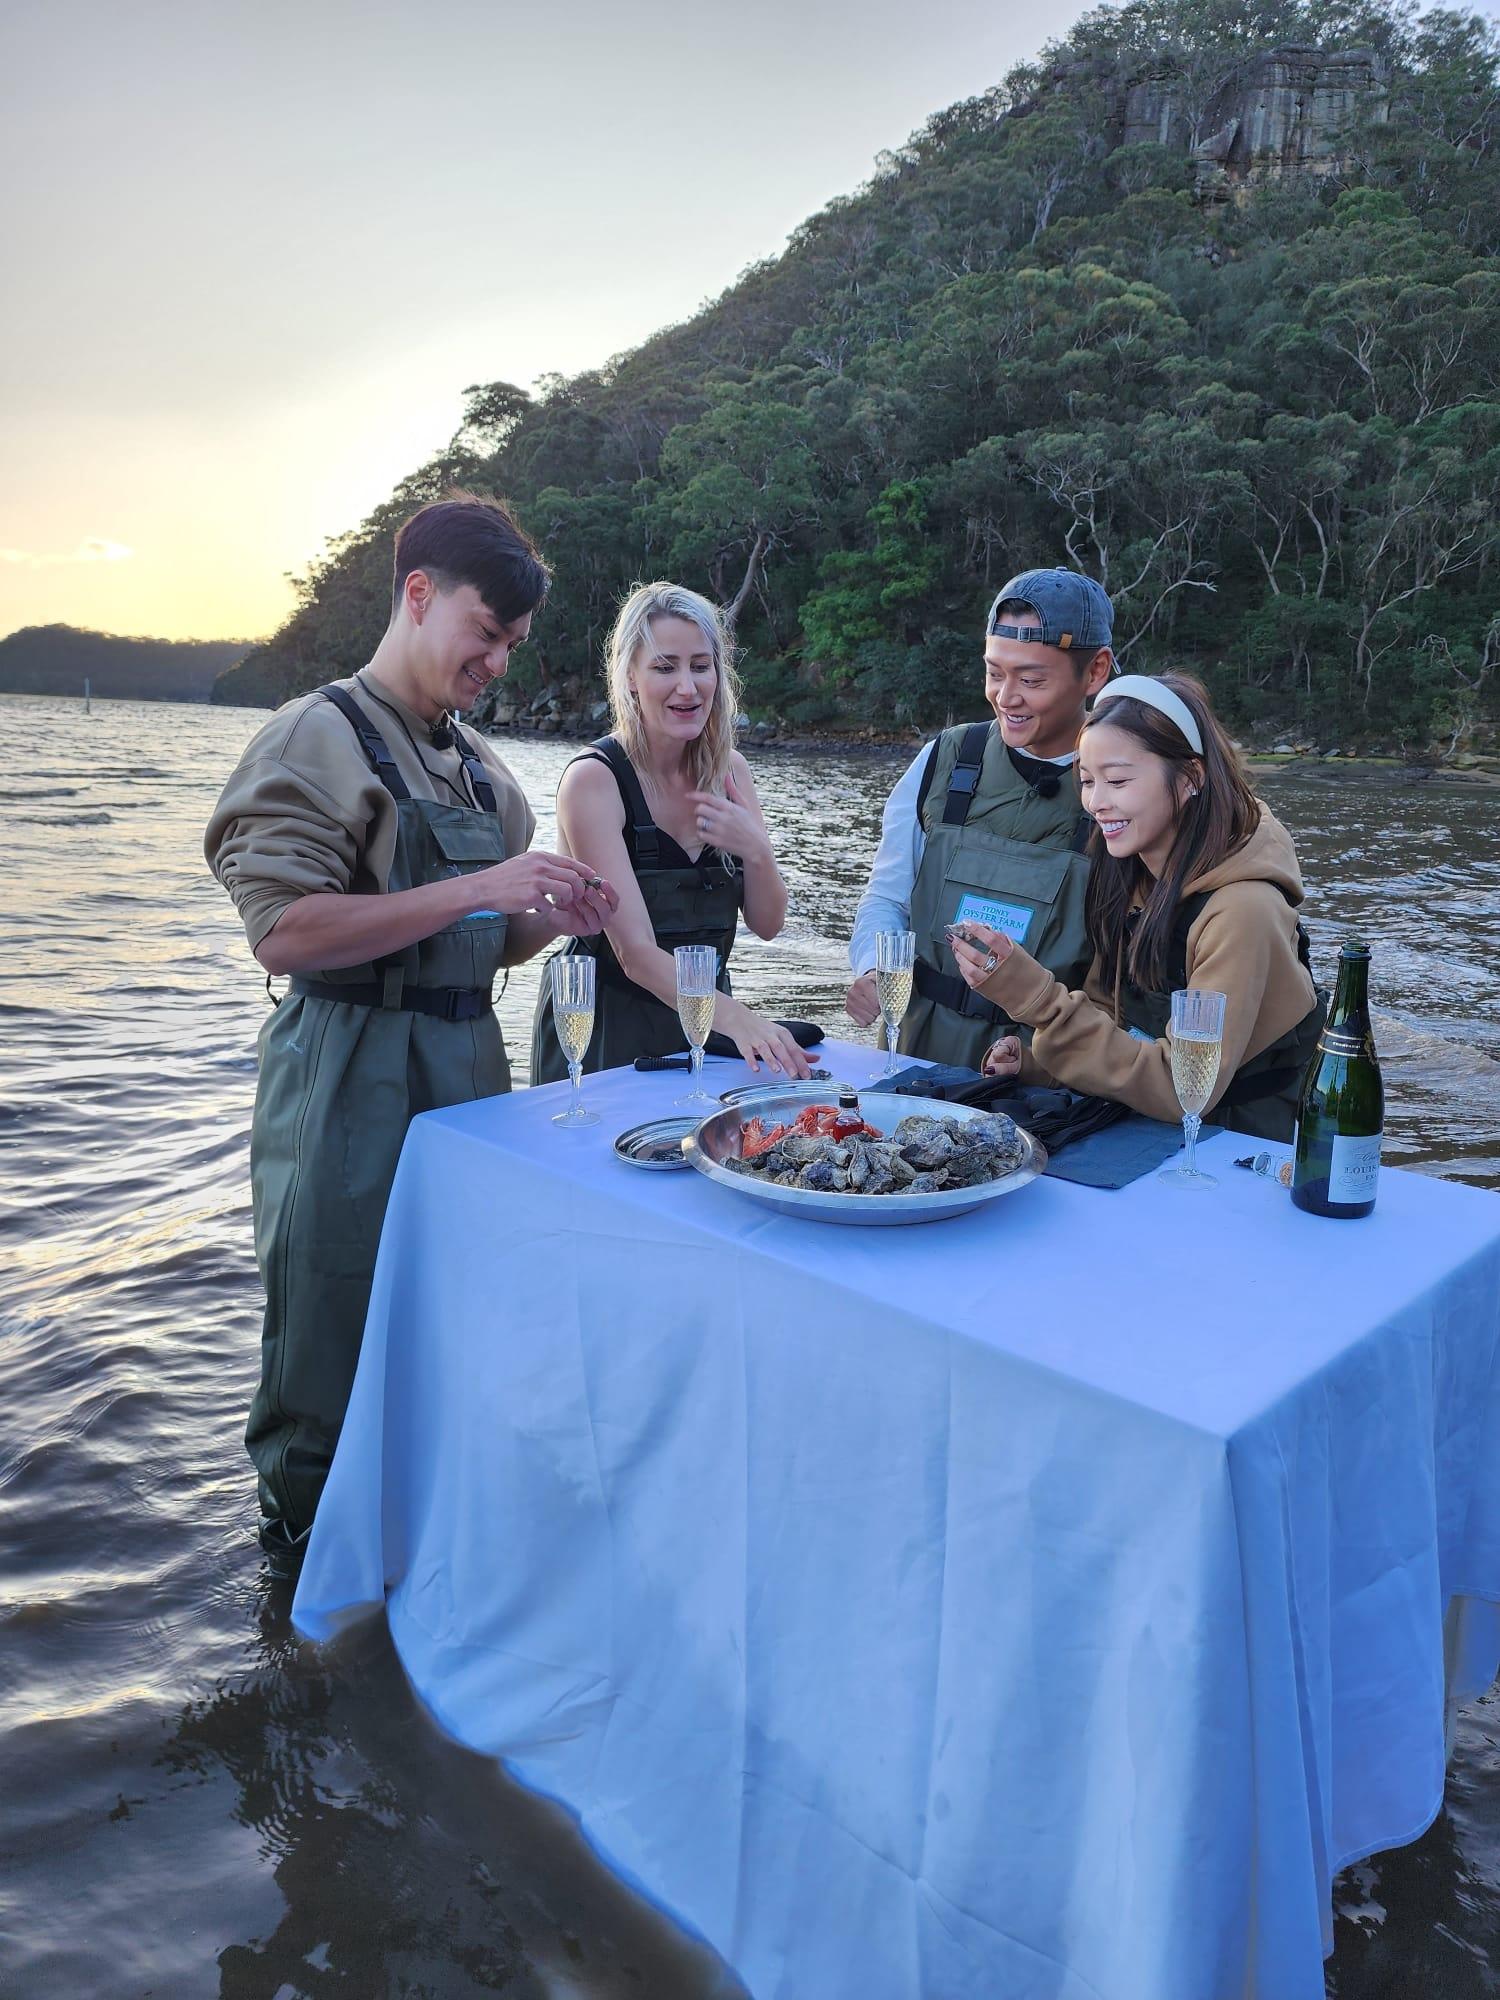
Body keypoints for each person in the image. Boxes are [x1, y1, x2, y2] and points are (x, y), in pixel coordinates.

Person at [205, 494, 617, 1575]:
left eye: (514, 647)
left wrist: (544, 916)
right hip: (347, 1076)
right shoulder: (316, 735)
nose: (497, 663)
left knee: (449, 1338)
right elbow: (286, 932)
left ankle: (415, 1584)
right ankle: (296, 1606)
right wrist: (483, 884)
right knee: (326, 1348)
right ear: (419, 594)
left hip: (465, 1076)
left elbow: (483, 941)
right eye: (486, 635)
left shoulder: (482, 768)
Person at [947, 672, 1324, 1140]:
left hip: (1237, 1153)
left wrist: (1037, 1000)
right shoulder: (1132, 869)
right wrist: (1040, 1065)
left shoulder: (1245, 911)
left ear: (1190, 777)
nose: (1096, 803)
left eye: (1118, 781)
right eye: (1087, 781)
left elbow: (1184, 1088)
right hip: (1159, 1131)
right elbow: (1113, 1017)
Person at [531, 581, 813, 1083]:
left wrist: (758, 852)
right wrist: (741, 1019)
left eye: (701, 666)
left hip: (704, 1028)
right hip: (603, 1030)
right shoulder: (594, 781)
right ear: (631, 678)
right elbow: (635, 954)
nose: (688, 687)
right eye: (665, 667)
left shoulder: (732, 773)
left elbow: (768, 924)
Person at [845, 568, 1116, 1069]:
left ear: (1095, 672)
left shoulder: (1122, 786)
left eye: (1031, 680)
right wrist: (872, 969)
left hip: (1041, 1075)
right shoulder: (943, 759)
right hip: (914, 1058)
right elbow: (886, 899)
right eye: (995, 673)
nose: (1006, 697)